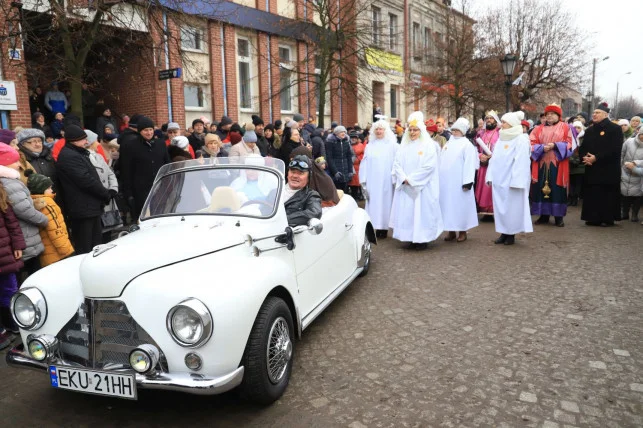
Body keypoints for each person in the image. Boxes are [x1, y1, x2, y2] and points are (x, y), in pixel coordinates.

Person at [389, 111, 443, 250]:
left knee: (420, 212)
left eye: (415, 130)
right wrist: (403, 178)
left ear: (421, 131)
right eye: (410, 130)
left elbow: (429, 166)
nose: (412, 132)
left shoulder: (428, 145)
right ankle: (409, 237)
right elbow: (397, 164)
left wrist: (412, 179)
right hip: (406, 185)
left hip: (421, 187)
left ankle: (422, 239)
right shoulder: (403, 146)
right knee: (407, 212)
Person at [56, 125, 111, 253]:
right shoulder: (70, 156)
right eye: (83, 139)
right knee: (87, 247)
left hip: (89, 206)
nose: (86, 142)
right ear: (74, 140)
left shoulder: (77, 153)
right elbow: (85, 181)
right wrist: (105, 193)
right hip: (82, 208)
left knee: (95, 244)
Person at [485, 111, 533, 245]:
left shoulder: (521, 138)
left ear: (511, 123)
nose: (502, 124)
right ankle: (503, 232)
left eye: (504, 122)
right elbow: (494, 159)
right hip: (500, 179)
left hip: (512, 180)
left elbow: (521, 161)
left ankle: (511, 233)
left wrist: (517, 180)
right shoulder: (501, 138)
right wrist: (490, 175)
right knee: (501, 207)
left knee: (512, 207)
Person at [0, 144, 48, 276]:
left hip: (26, 235)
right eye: (15, 161)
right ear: (4, 164)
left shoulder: (10, 180)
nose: (19, 165)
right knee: (32, 273)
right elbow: (23, 209)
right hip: (25, 236)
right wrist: (43, 219)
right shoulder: (8, 183)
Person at [529, 104, 573, 227]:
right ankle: (543, 215)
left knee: (557, 189)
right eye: (547, 114)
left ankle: (559, 217)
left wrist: (555, 145)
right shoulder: (537, 129)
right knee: (540, 188)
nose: (549, 116)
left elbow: (570, 144)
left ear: (558, 116)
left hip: (557, 163)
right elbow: (531, 143)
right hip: (541, 161)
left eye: (552, 114)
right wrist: (542, 147)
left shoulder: (565, 128)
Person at [579, 103, 623, 226]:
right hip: (592, 168)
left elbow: (615, 149)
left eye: (597, 112)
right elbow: (583, 147)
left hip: (607, 169)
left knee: (606, 194)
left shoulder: (615, 129)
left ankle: (607, 218)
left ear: (605, 114)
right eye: (593, 113)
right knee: (592, 193)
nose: (594, 114)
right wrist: (585, 157)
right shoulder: (589, 130)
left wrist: (596, 158)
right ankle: (592, 217)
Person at [119, 116, 170, 221]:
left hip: (159, 187)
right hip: (140, 190)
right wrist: (128, 192)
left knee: (161, 215)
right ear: (139, 131)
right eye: (145, 130)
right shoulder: (130, 145)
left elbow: (167, 163)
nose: (149, 133)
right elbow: (126, 170)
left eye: (151, 129)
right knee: (143, 218)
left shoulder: (160, 144)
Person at [439, 118, 478, 243]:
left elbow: (469, 164)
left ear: (463, 132)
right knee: (448, 206)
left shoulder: (467, 145)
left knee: (460, 206)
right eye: (454, 130)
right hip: (446, 182)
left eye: (457, 130)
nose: (455, 132)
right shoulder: (448, 143)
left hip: (460, 182)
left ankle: (462, 231)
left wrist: (468, 180)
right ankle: (451, 231)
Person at [359, 118, 398, 238]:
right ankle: (374, 226)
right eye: (377, 129)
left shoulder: (392, 145)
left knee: (386, 203)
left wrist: (395, 178)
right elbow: (364, 163)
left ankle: (384, 228)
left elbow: (397, 162)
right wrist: (363, 180)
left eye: (381, 129)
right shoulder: (370, 146)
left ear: (385, 130)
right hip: (373, 179)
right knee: (374, 203)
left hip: (386, 179)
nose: (379, 131)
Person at [26, 171, 74, 266]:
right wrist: (66, 250)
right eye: (49, 188)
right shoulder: (47, 204)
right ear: (41, 190)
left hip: (48, 254)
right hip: (58, 253)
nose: (52, 190)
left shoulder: (35, 202)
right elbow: (55, 228)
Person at [0, 179, 26, 343]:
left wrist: (18, 245)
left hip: (5, 253)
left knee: (10, 290)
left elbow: (12, 223)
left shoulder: (2, 195)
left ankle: (14, 322)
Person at [475, 110, 500, 218]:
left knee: (492, 187)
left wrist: (492, 156)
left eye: (491, 118)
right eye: (487, 118)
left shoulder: (500, 133)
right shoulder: (481, 133)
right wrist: (481, 156)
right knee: (483, 187)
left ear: (495, 120)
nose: (489, 120)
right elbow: (475, 149)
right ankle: (485, 210)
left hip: (494, 165)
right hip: (483, 165)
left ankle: (494, 209)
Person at [284, 155, 322, 226]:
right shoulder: (276, 190)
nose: (295, 176)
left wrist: (284, 219)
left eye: (300, 173)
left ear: (308, 177)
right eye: (293, 171)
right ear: (288, 174)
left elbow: (315, 212)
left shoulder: (311, 195)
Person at [620, 126, 643, 222]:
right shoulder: (629, 142)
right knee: (625, 193)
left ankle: (635, 214)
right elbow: (622, 153)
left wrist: (635, 163)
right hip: (625, 171)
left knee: (638, 195)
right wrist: (621, 166)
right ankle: (624, 213)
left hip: (639, 174)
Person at [325, 125, 353, 192]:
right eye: (341, 132)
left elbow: (349, 156)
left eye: (344, 132)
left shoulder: (346, 141)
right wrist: (335, 172)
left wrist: (350, 171)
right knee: (337, 191)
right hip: (335, 169)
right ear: (336, 133)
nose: (343, 133)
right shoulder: (330, 142)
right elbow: (329, 158)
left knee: (345, 191)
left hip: (345, 169)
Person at [568, 120, 585, 206]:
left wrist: (579, 160)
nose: (577, 129)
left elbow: (585, 150)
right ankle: (570, 198)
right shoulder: (570, 137)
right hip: (570, 163)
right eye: (575, 127)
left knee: (577, 183)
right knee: (571, 182)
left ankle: (575, 199)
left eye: (579, 127)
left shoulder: (584, 138)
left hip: (580, 165)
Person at [348, 131, 365, 200]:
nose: (353, 139)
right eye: (352, 137)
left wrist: (359, 158)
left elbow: (364, 155)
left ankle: (360, 195)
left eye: (355, 137)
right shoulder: (348, 144)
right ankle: (354, 196)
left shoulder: (361, 145)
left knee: (358, 183)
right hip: (351, 166)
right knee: (352, 183)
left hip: (359, 166)